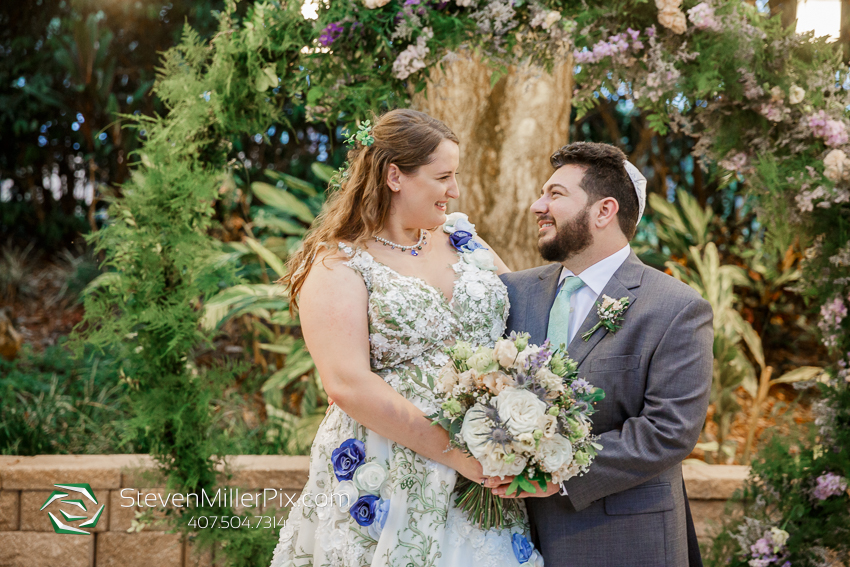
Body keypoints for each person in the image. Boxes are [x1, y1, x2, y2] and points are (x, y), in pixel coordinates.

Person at [270, 109, 532, 567]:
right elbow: (347, 383)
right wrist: (455, 454)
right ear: (395, 176)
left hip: (484, 468)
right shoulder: (338, 264)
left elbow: (524, 321)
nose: (454, 190)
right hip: (389, 468)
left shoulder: (464, 239)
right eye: (443, 176)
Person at [493, 142, 713, 567]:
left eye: (555, 195)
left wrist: (552, 474)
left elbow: (670, 431)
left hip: (622, 539)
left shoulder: (675, 307)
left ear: (603, 210)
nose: (537, 205)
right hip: (512, 536)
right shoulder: (514, 292)